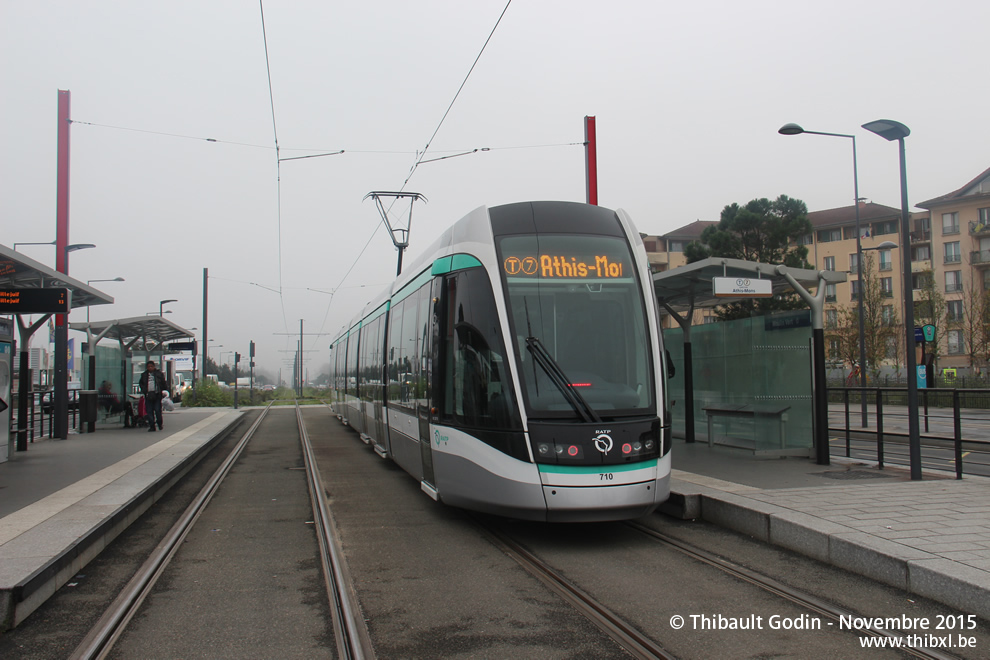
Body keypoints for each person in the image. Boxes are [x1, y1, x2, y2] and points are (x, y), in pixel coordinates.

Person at [139, 361, 169, 432]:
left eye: (151, 366)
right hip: (148, 395)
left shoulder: (159, 374)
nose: (150, 368)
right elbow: (141, 383)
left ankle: (159, 424)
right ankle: (152, 425)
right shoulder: (144, 375)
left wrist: (163, 391)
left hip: (157, 395)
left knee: (157, 410)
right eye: (148, 367)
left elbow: (163, 383)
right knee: (149, 411)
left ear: (154, 366)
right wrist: (144, 390)